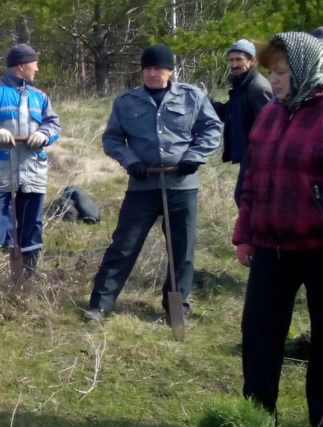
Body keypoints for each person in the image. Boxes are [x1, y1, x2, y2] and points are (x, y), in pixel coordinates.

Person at [83, 44, 221, 322]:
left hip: (181, 185)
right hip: (142, 186)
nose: (152, 73)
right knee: (123, 245)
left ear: (170, 70)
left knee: (182, 250)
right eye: (147, 68)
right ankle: (100, 305)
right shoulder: (126, 101)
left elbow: (211, 128)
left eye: (158, 68)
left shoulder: (192, 97)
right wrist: (129, 160)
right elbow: (112, 138)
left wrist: (194, 157)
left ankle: (176, 307)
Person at [233, 32, 323, 427]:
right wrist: (245, 233)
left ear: (306, 69)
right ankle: (257, 416)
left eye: (283, 72)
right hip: (270, 245)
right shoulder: (271, 113)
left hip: (318, 246)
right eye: (271, 72)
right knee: (257, 334)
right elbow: (251, 178)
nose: (276, 80)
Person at [0, 44, 61, 280]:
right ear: (21, 65)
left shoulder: (39, 97)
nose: (37, 68)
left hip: (32, 172)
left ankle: (26, 281)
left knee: (32, 225)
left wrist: (45, 133)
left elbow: (54, 124)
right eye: (34, 63)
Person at [208, 39, 272, 207]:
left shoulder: (258, 88)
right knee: (244, 200)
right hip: (247, 157)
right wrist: (207, 102)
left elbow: (270, 128)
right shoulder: (241, 85)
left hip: (257, 159)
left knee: (247, 201)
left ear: (253, 61)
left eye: (239, 60)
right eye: (231, 60)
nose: (234, 64)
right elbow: (230, 114)